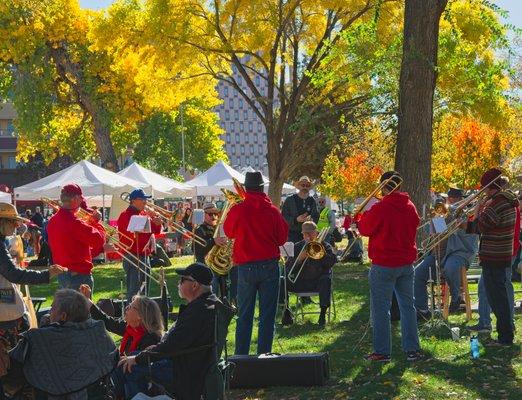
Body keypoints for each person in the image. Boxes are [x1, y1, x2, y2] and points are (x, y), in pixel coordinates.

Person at [118, 263, 219, 400]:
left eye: (182, 280)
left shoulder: (197, 312)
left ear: (194, 285)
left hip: (184, 369)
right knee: (132, 357)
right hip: (193, 363)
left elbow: (170, 346)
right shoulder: (210, 303)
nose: (179, 283)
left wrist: (138, 359)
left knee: (129, 367)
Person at [0, 203, 66, 397]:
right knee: (10, 362)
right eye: (13, 222)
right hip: (5, 314)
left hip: (7, 311)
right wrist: (47, 274)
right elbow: (14, 274)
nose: (15, 226)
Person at [6, 289, 117, 399]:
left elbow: (10, 370)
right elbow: (113, 358)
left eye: (52, 308)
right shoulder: (97, 331)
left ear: (63, 316)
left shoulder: (38, 339)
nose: (49, 312)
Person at [357, 171, 422, 362]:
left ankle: (382, 351)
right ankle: (412, 350)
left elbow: (365, 229)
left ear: (384, 186)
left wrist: (361, 217)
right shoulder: (410, 206)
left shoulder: (381, 207)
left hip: (384, 264)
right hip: (406, 264)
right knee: (408, 307)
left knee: (380, 309)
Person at [223, 171, 289, 355]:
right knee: (267, 316)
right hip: (269, 265)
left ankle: (241, 358)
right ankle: (264, 356)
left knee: (244, 315)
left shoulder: (238, 209)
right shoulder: (273, 211)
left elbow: (228, 232)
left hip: (246, 266)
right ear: (262, 188)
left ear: (245, 189)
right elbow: (282, 238)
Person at [79, 284, 163, 399]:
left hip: (140, 387)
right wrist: (87, 300)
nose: (127, 308)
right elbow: (107, 322)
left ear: (140, 315)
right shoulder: (130, 329)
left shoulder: (151, 337)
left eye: (131, 307)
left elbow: (140, 367)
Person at [467, 168, 518, 345]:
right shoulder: (507, 200)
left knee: (497, 299)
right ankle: (506, 333)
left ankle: (505, 337)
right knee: (500, 296)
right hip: (501, 254)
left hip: (494, 256)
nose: (483, 191)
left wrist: (478, 209)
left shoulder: (497, 203)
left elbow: (480, 226)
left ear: (490, 186)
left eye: (484, 187)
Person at [414, 188, 479, 318]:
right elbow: (436, 235)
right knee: (417, 274)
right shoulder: (445, 213)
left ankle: (456, 299)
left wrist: (460, 224)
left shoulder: (470, 215)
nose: (452, 201)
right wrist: (436, 220)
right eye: (450, 198)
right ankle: (422, 310)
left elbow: (472, 236)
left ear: (462, 199)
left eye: (455, 199)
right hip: (437, 255)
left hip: (459, 253)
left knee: (451, 267)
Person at [46, 184, 106, 291]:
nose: (81, 203)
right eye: (80, 199)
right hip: (78, 276)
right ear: (75, 198)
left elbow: (72, 246)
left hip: (63, 273)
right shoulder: (74, 222)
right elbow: (99, 240)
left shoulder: (53, 221)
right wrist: (95, 222)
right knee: (82, 307)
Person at [285, 221, 337, 326]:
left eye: (311, 233)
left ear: (316, 233)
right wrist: (299, 259)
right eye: (306, 234)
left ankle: (322, 314)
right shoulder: (297, 246)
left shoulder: (325, 246)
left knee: (326, 280)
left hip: (317, 282)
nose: (308, 236)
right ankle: (286, 312)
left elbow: (331, 262)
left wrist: (320, 254)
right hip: (301, 282)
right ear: (302, 234)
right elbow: (289, 269)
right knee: (282, 279)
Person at [118, 189, 162, 300]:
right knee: (134, 293)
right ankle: (131, 315)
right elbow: (135, 240)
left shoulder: (142, 214)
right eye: (142, 199)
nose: (145, 202)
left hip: (144, 256)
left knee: (144, 291)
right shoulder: (125, 215)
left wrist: (157, 222)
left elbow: (156, 232)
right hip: (133, 256)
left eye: (145, 199)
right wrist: (150, 223)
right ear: (133, 201)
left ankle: (142, 315)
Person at [282, 176, 319, 243]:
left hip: (308, 234)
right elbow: (283, 217)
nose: (305, 187)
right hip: (293, 235)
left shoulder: (312, 200)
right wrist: (296, 219)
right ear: (298, 186)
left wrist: (311, 220)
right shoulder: (289, 200)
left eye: (307, 185)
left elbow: (316, 216)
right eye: (303, 185)